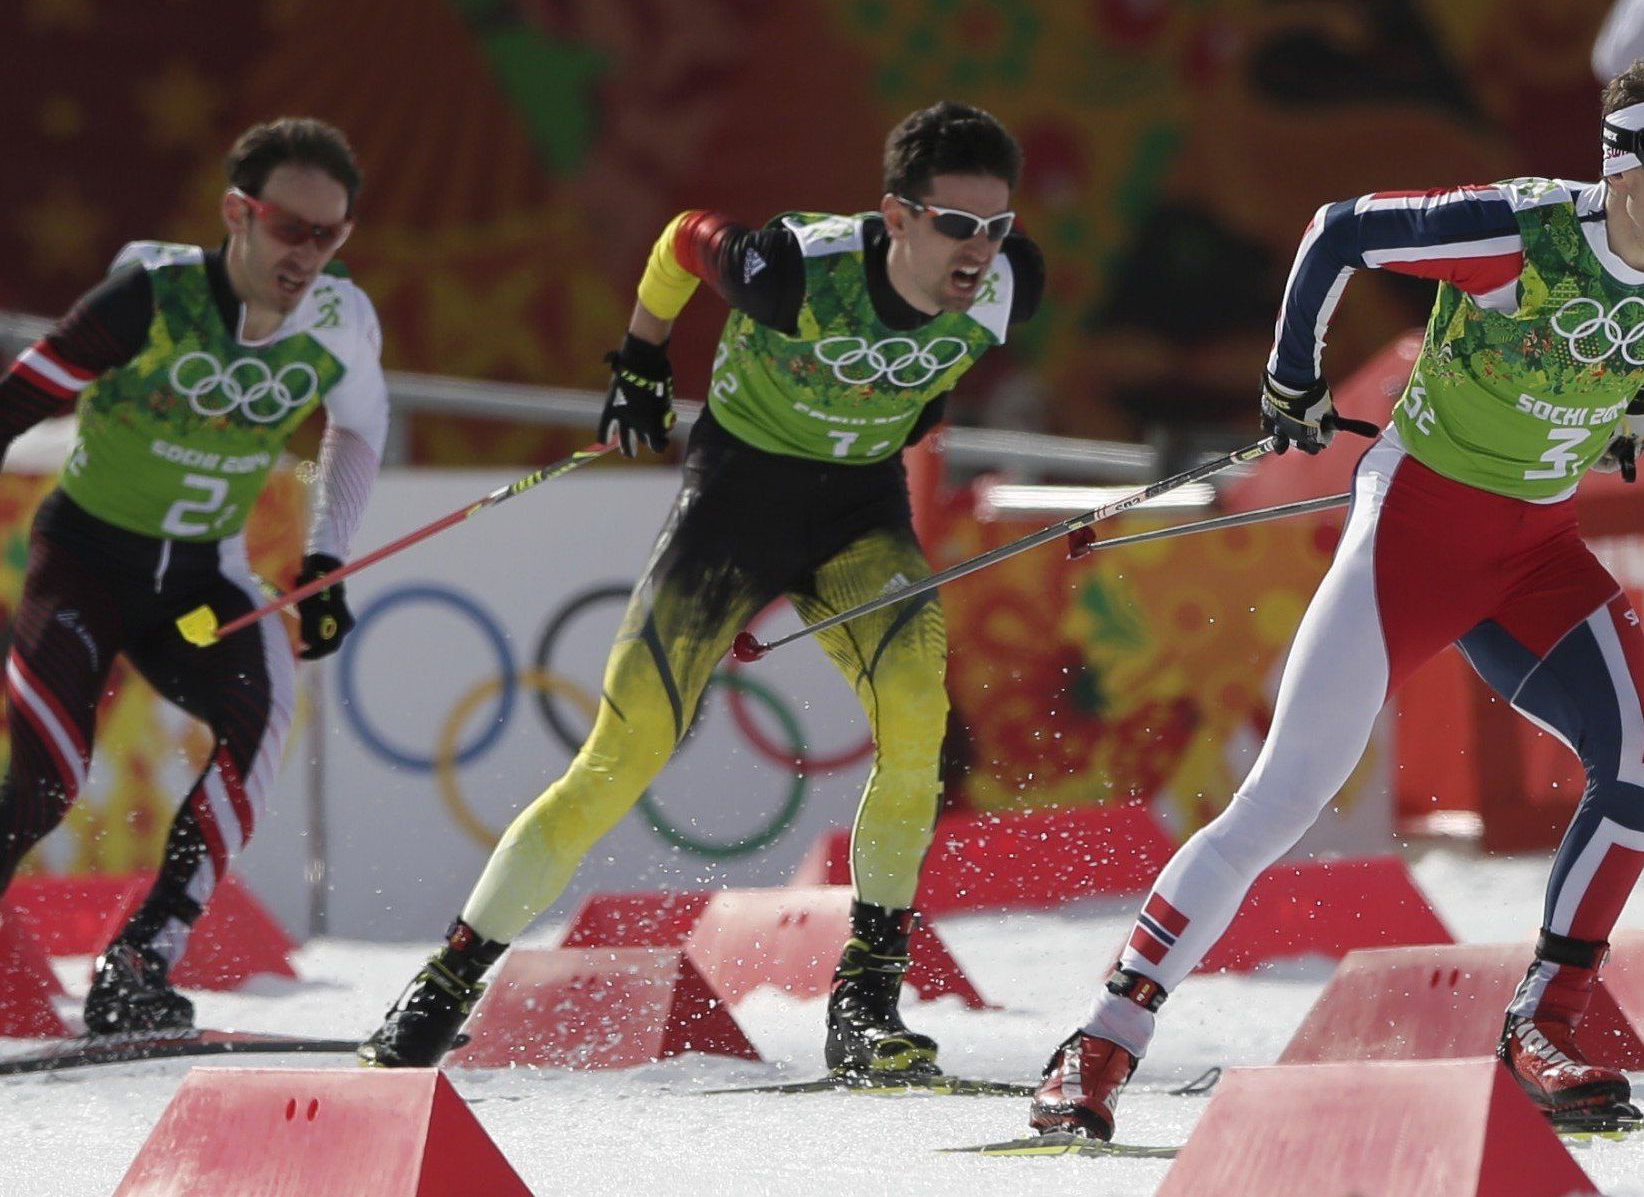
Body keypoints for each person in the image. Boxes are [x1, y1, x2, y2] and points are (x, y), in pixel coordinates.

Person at [361, 100, 1044, 1075]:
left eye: (996, 227)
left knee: (915, 723)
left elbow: (932, 379)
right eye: (956, 227)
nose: (980, 251)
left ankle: (865, 1008)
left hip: (858, 513)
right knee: (620, 755)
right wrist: (641, 355)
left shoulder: (1010, 285)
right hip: (737, 504)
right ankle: (442, 987)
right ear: (896, 218)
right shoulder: (796, 268)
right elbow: (683, 238)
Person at [1028, 66, 1644, 1140]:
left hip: (1533, 553)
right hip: (1412, 537)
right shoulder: (1522, 231)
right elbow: (1337, 230)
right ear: (1621, 167)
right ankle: (1100, 1040)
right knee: (1283, 798)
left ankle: (1547, 1023)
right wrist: (1289, 380)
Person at [0, 117, 387, 1033]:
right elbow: (17, 400)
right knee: (49, 779)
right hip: (86, 560)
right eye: (290, 229)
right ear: (237, 214)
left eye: (328, 236)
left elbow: (362, 428)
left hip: (200, 580)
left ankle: (138, 965)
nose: (307, 257)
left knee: (261, 721)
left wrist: (326, 557)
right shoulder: (148, 299)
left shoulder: (341, 317)